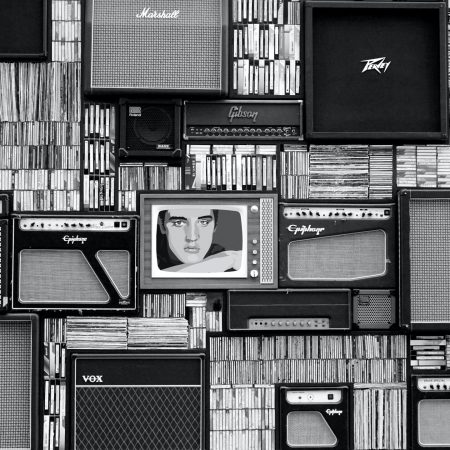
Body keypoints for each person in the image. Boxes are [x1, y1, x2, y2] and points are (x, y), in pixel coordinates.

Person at [157, 207, 242, 273]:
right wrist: (223, 262)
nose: (192, 237)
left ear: (215, 226)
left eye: (203, 222)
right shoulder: (148, 252)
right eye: (178, 223)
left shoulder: (221, 255)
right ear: (162, 226)